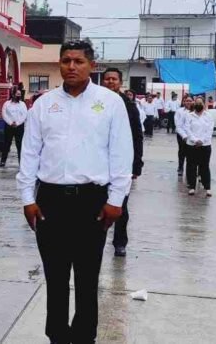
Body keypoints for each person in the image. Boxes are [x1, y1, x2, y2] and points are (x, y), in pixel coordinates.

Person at [18, 41, 133, 344]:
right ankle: (56, 335)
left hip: (92, 201)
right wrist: (28, 199)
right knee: (55, 277)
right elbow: (29, 153)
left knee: (86, 277)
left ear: (91, 65)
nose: (71, 66)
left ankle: (84, 336)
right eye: (66, 60)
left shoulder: (110, 103)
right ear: (59, 64)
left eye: (78, 61)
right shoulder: (44, 104)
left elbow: (122, 154)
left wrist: (116, 200)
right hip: (50, 201)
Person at [102, 68, 144, 258]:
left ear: (120, 82)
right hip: (98, 164)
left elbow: (137, 136)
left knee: (121, 206)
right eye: (107, 79)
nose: (110, 82)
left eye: (114, 79)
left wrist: (136, 165)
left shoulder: (128, 105)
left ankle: (120, 242)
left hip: (122, 164)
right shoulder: (96, 102)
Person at [185, 98, 214, 196]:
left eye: (200, 103)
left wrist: (202, 140)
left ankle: (207, 188)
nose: (198, 104)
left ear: (203, 104)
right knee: (191, 166)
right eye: (196, 103)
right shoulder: (189, 116)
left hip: (205, 145)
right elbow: (187, 129)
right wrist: (195, 140)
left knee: (204, 166)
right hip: (192, 145)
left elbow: (209, 130)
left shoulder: (208, 116)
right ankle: (192, 187)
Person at [0, 90, 27, 167]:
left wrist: (17, 123)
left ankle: (21, 163)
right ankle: (2, 161)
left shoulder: (23, 104)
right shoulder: (7, 104)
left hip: (19, 126)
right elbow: (4, 114)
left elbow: (24, 115)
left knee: (20, 145)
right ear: (13, 94)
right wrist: (10, 122)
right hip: (9, 126)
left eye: (20, 94)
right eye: (17, 94)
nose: (19, 96)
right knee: (6, 144)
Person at [174, 96, 194, 177]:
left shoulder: (195, 111)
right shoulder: (179, 111)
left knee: (192, 154)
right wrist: (184, 136)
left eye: (190, 101)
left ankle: (191, 170)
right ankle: (180, 168)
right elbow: (178, 126)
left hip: (192, 136)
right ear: (183, 102)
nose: (188, 102)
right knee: (182, 152)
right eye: (186, 101)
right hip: (181, 135)